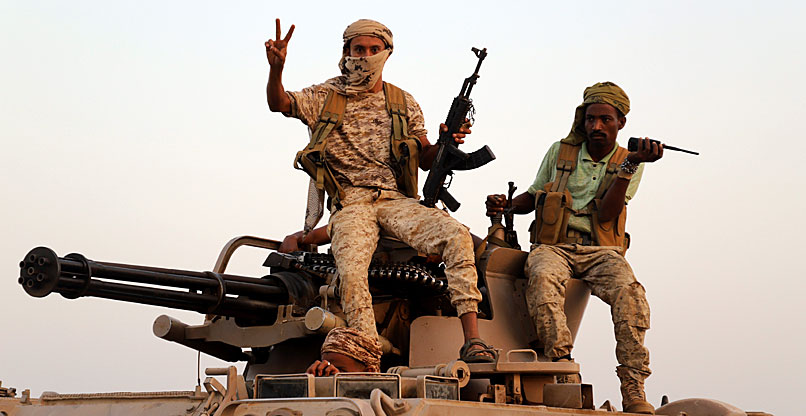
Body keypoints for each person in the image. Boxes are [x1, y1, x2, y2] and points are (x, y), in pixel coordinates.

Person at [265, 18, 494, 370]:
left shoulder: (402, 101)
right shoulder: (327, 96)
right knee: (351, 270)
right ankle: (367, 350)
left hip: (394, 201)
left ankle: (473, 340)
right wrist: (276, 69)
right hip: (351, 203)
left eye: (374, 49)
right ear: (347, 52)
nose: (366, 56)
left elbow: (424, 157)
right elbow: (280, 103)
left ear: (387, 53)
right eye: (359, 49)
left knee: (457, 236)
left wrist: (446, 142)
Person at [486, 82, 662, 414]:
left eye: (605, 120)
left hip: (601, 252)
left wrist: (630, 166)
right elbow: (534, 195)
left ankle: (633, 388)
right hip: (555, 246)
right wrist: (506, 205)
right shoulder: (561, 152)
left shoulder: (628, 161)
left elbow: (608, 213)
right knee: (541, 278)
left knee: (631, 297)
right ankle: (563, 369)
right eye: (590, 119)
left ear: (621, 123)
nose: (596, 126)